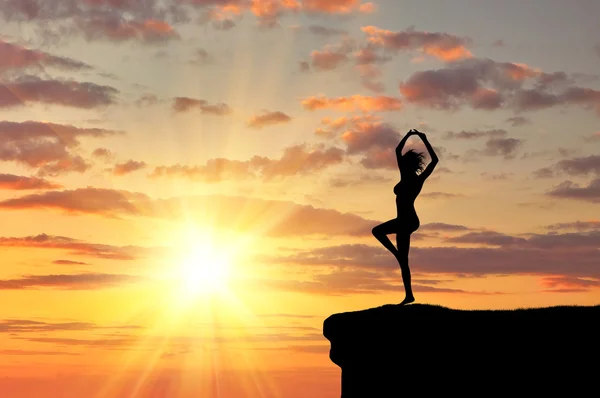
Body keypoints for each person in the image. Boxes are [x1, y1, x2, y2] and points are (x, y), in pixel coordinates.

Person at [372, 129, 438, 305]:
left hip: (407, 220)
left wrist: (416, 137)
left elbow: (434, 161)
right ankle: (409, 295)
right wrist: (416, 137)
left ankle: (395, 254)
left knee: (377, 231)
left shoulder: (413, 178)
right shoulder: (412, 177)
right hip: (406, 221)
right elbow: (398, 152)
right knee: (404, 261)